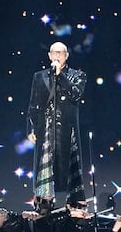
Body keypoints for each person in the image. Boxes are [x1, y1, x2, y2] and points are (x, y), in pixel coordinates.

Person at [28, 41, 87, 207]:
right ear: (49, 56)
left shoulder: (77, 76)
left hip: (67, 131)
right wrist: (31, 128)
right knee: (45, 170)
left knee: (68, 170)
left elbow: (75, 94)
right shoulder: (39, 76)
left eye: (60, 53)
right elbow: (33, 104)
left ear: (66, 56)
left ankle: (72, 205)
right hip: (45, 129)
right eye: (54, 53)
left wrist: (60, 74)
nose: (57, 56)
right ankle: (43, 206)